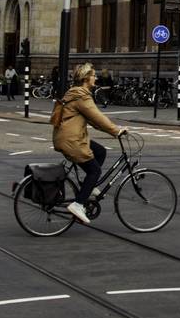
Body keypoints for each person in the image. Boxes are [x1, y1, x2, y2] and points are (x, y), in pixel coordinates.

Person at [52, 62, 125, 226]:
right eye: (93, 75)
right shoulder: (82, 96)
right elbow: (97, 116)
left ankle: (89, 186)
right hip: (72, 140)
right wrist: (116, 131)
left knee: (100, 152)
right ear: (86, 79)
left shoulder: (76, 93)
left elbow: (94, 121)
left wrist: (113, 128)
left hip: (69, 137)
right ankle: (78, 205)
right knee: (95, 170)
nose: (96, 78)